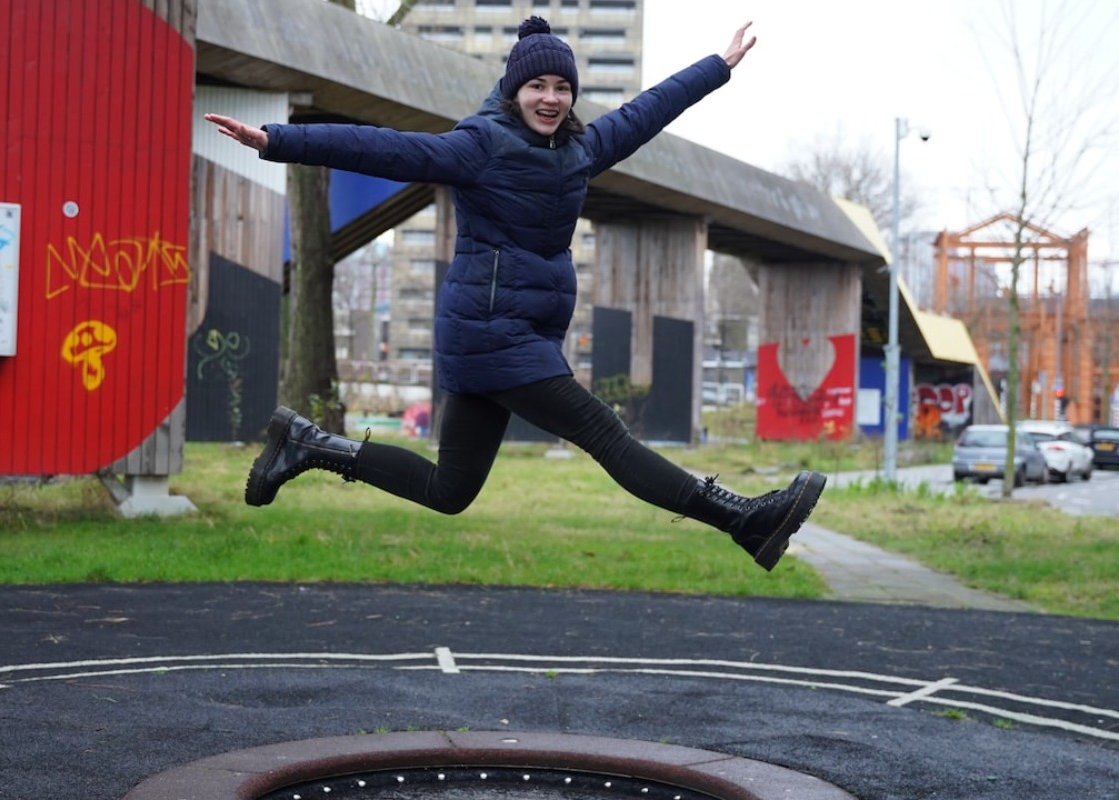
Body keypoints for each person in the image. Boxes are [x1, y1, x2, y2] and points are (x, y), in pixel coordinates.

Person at [205, 17, 826, 572]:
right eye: (538, 87)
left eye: (561, 88)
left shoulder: (581, 151)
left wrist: (716, 68)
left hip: (513, 335)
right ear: (515, 91)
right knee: (605, 434)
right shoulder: (479, 146)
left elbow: (648, 110)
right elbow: (386, 148)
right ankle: (744, 519)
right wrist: (277, 141)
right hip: (491, 331)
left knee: (451, 491)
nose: (550, 98)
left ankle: (309, 445)